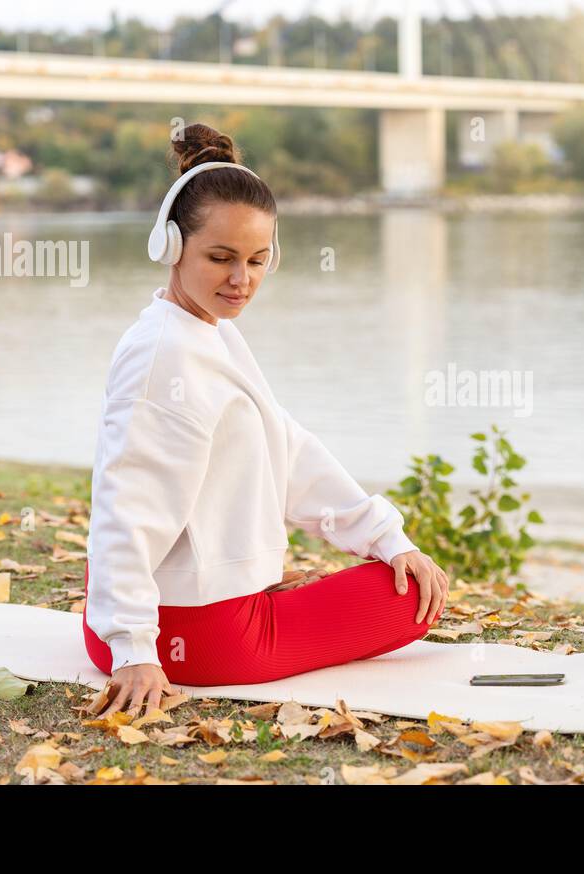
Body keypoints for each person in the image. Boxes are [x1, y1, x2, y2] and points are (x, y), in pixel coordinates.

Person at [82, 122, 449, 719]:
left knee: (408, 571)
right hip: (187, 634)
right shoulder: (162, 356)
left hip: (179, 614)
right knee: (408, 601)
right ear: (171, 248)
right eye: (220, 258)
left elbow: (289, 449)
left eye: (256, 260)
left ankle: (257, 588)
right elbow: (127, 505)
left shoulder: (211, 334)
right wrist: (133, 649)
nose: (241, 280)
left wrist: (385, 537)